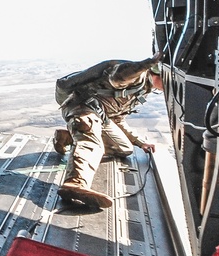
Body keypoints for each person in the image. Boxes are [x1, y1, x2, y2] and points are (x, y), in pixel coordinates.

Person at [53, 56, 163, 209]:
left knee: (124, 148)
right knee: (92, 142)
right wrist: (144, 65)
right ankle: (75, 183)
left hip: (101, 115)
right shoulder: (138, 79)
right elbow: (118, 77)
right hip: (81, 107)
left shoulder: (142, 91)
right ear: (159, 73)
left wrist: (139, 142)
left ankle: (67, 137)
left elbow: (117, 119)